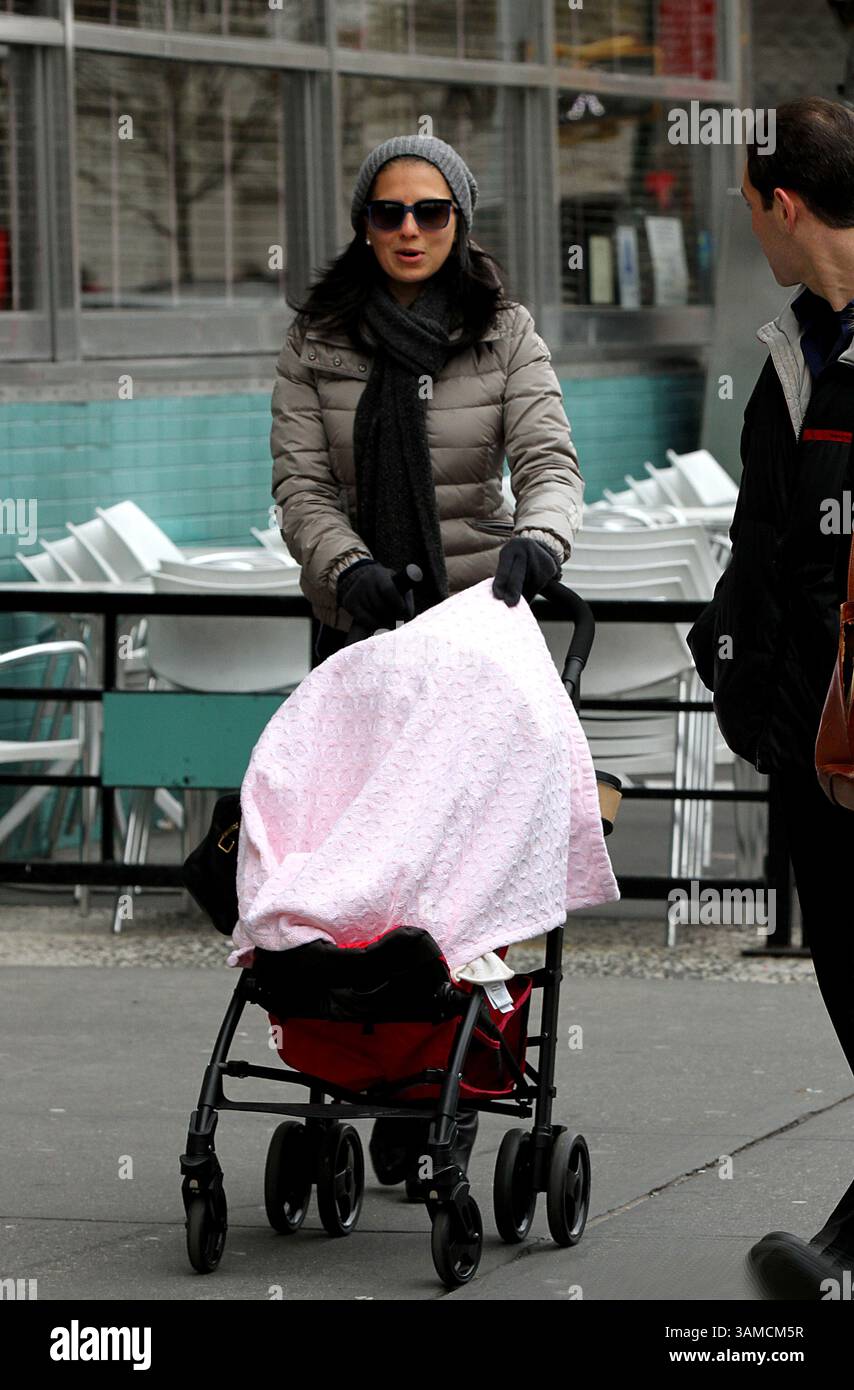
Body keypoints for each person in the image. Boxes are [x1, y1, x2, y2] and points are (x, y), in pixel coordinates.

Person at [269, 134, 584, 1193]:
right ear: (363, 223)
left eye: (431, 212)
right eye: (388, 212)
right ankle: (375, 1061)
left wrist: (539, 539)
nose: (409, 230)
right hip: (360, 645)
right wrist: (347, 567)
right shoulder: (317, 341)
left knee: (462, 870)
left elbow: (546, 460)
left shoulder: (502, 334)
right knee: (361, 872)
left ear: (460, 221)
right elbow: (300, 489)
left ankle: (442, 1075)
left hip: (475, 638)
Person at [687, 97, 854, 1299]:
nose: (747, 223)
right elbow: (764, 547)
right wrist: (748, 689)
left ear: (779, 204)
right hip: (816, 744)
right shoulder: (795, 349)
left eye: (746, 204)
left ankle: (842, 1255)